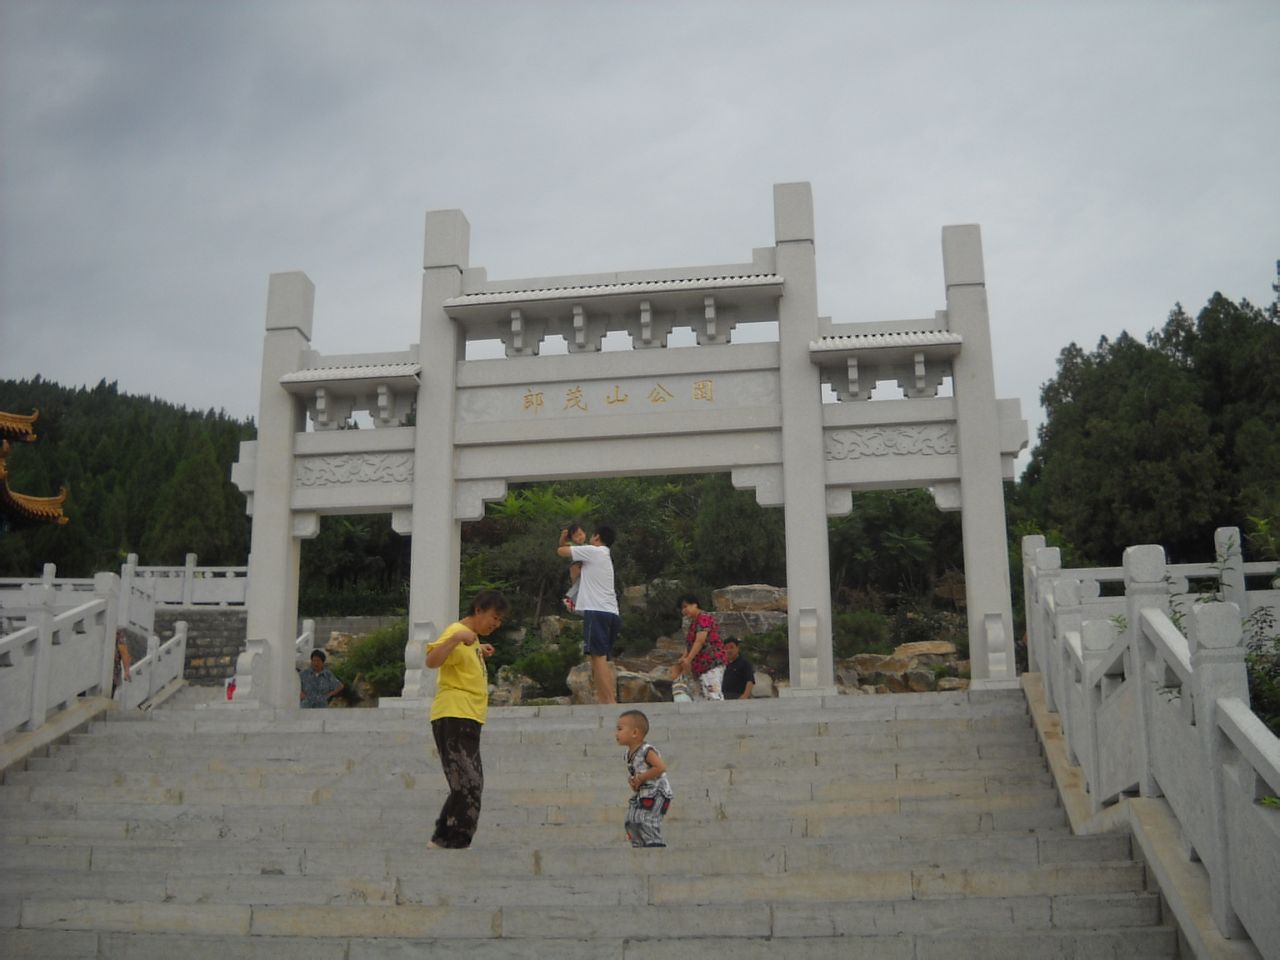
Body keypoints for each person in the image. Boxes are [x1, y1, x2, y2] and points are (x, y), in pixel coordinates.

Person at [425, 589, 509, 849]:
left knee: (467, 781)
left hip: (469, 717)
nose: (496, 624)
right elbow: (431, 660)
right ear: (478, 610)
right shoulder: (456, 632)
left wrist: (478, 650)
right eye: (494, 617)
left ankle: (444, 837)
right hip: (454, 714)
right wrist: (456, 639)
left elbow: (459, 660)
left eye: (500, 620)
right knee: (469, 782)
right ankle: (453, 840)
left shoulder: (471, 641)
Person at [557, 524, 619, 704]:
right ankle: (605, 699)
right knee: (599, 657)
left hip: (597, 611)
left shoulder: (594, 551)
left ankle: (609, 702)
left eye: (590, 535)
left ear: (597, 538)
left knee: (597, 657)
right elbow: (576, 575)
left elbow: (561, 551)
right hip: (611, 612)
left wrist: (564, 537)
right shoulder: (604, 556)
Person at [615, 709, 672, 848]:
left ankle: (654, 845)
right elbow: (636, 773)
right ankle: (638, 845)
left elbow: (660, 767)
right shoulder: (628, 754)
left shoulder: (646, 750)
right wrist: (634, 782)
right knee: (631, 820)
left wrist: (641, 778)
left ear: (634, 733)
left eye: (620, 729)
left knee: (646, 819)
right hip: (643, 792)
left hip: (658, 792)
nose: (616, 734)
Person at [671, 594, 728, 701]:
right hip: (699, 666)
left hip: (711, 662)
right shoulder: (694, 622)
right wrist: (683, 658)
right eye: (682, 608)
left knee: (713, 693)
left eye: (685, 606)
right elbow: (690, 644)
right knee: (700, 696)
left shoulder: (704, 618)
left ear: (695, 604)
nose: (684, 610)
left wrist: (688, 659)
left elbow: (699, 641)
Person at [112, 629, 132, 700]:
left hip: (113, 672)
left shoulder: (119, 636)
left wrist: (127, 671)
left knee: (110, 693)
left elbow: (125, 655)